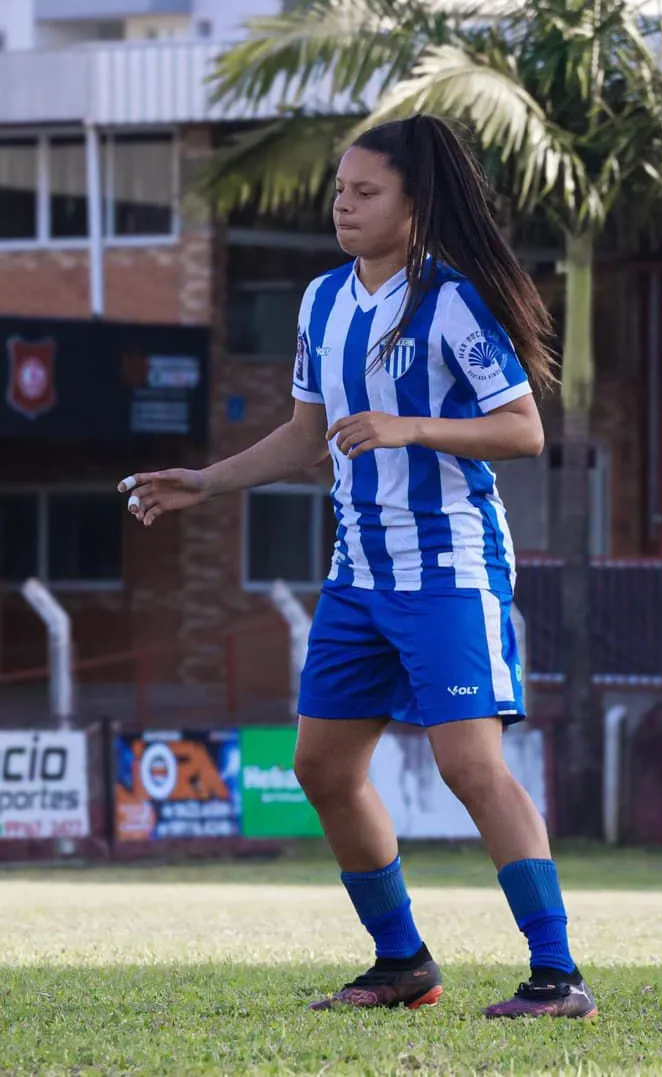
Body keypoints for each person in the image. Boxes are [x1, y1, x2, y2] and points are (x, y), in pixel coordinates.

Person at [118, 114, 597, 1021]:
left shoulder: (455, 301)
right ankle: (402, 961)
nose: (344, 204)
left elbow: (524, 429)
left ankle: (557, 975)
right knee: (322, 768)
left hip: (449, 566)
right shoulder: (322, 301)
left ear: (415, 205)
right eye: (339, 189)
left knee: (470, 766)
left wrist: (411, 425)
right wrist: (207, 482)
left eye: (365, 191)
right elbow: (306, 436)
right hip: (358, 577)